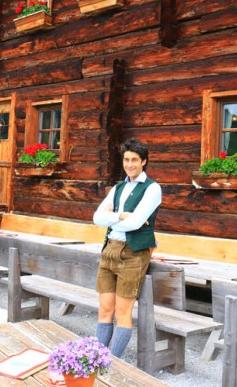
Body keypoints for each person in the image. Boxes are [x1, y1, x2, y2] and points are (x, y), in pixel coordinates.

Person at [92, 138, 162, 357]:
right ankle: (98, 360)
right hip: (110, 249)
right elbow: (96, 217)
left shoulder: (152, 189)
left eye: (134, 160)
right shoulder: (118, 188)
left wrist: (111, 218)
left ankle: (109, 365)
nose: (130, 164)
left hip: (133, 254)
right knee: (104, 310)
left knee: (123, 313)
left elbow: (135, 224)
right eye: (126, 160)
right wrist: (120, 215)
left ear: (144, 162)